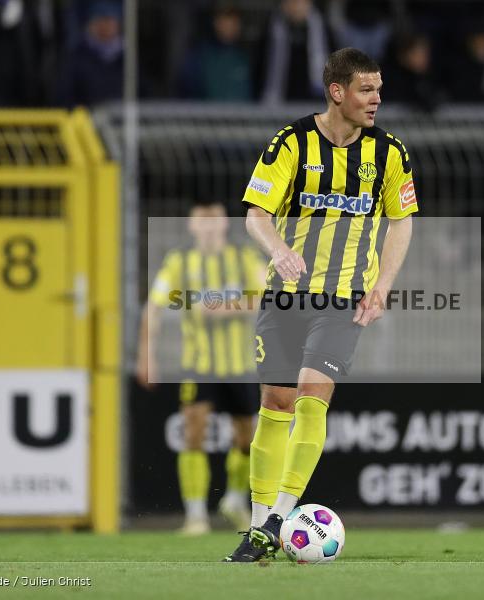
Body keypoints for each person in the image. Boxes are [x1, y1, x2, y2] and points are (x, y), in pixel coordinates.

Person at [223, 47, 418, 562]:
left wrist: (383, 284)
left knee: (312, 398)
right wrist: (279, 249)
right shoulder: (291, 143)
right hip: (285, 297)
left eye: (378, 89)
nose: (376, 99)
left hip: (344, 300)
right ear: (337, 92)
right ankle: (256, 527)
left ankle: (277, 519)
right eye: (366, 89)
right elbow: (255, 215)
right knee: (276, 404)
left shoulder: (389, 153)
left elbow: (401, 222)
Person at [136, 202, 266, 535]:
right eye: (201, 221)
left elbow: (269, 297)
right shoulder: (179, 262)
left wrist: (227, 306)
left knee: (247, 438)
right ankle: (195, 516)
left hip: (240, 364)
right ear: (192, 226)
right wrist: (147, 356)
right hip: (199, 364)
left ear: (224, 224)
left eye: (214, 221)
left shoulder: (244, 258)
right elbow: (153, 308)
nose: (208, 227)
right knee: (193, 432)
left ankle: (235, 499)